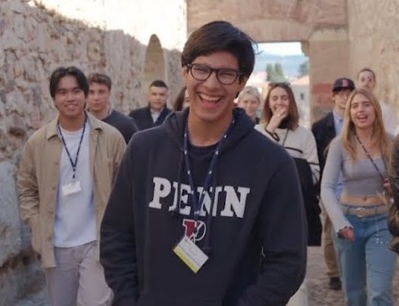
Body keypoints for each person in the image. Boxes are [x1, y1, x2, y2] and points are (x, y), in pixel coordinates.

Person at [100, 21, 307, 306]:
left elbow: (287, 263)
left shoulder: (271, 163)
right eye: (202, 69)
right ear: (185, 72)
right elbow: (116, 237)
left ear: (241, 81)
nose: (211, 83)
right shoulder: (143, 150)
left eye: (225, 74)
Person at [17, 66, 126, 306]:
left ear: (85, 95)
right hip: (56, 245)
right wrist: (36, 224)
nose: (70, 98)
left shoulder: (111, 137)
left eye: (76, 91)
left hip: (97, 243)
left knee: (97, 303)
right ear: (54, 98)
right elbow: (26, 190)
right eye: (63, 92)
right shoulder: (37, 143)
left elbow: (126, 189)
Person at [321, 88, 396, 306]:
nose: (360, 110)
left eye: (365, 104)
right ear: (349, 113)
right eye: (355, 106)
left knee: (379, 292)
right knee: (354, 295)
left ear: (375, 109)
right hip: (348, 222)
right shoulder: (339, 145)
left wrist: (394, 186)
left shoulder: (390, 142)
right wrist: (340, 223)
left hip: (382, 222)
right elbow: (326, 187)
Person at [255, 82, 321, 306]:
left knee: (293, 270)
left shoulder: (304, 135)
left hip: (294, 211)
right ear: (268, 103)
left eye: (284, 98)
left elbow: (314, 173)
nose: (279, 102)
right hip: (261, 212)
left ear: (291, 101)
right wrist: (269, 131)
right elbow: (251, 169)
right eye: (274, 98)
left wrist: (286, 172)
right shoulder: (257, 133)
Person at [311, 77, 355, 291]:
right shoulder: (320, 127)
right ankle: (334, 272)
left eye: (349, 93)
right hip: (332, 187)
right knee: (331, 231)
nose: (345, 97)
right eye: (341, 93)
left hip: (355, 186)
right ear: (334, 97)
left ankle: (353, 268)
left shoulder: (360, 121)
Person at [87, 72, 139, 144]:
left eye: (101, 92)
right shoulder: (77, 123)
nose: (96, 97)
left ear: (109, 94)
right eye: (91, 92)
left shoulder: (125, 124)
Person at [357, 67, 397, 135]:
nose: (366, 83)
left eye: (370, 80)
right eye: (363, 80)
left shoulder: (385, 109)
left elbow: (391, 133)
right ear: (358, 83)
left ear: (375, 83)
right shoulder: (352, 109)